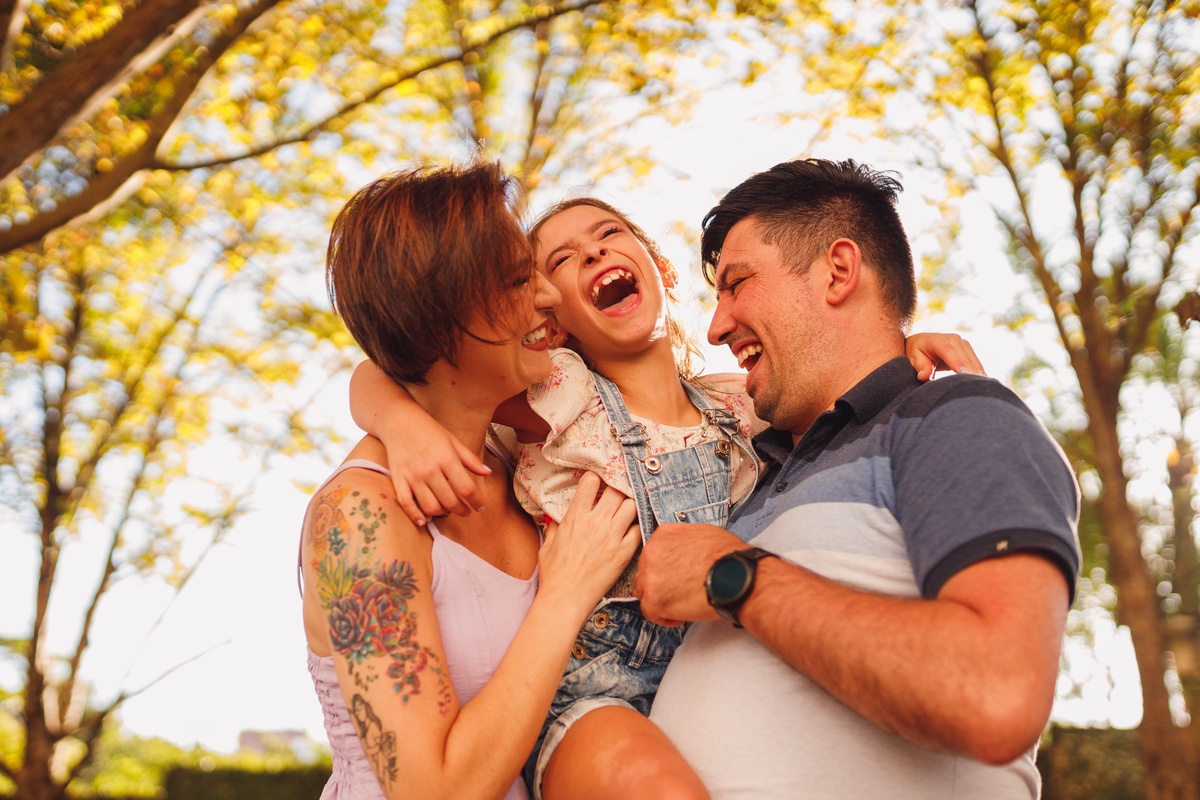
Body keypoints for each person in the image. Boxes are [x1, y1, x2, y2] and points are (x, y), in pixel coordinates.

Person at [351, 192, 985, 799]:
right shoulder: (559, 395)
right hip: (600, 692)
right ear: (550, 317)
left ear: (659, 269)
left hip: (724, 668)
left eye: (607, 235)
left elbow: (829, 376)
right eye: (562, 261)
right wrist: (399, 425)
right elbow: (405, 363)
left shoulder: (738, 403)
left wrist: (898, 354)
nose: (593, 254)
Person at [633, 158, 1081, 799]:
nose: (716, 325)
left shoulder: (952, 417)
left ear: (839, 271)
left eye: (737, 283)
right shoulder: (755, 471)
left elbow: (996, 692)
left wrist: (734, 576)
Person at [300, 162, 643, 800]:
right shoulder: (359, 519)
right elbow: (433, 792)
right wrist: (563, 595)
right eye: (519, 279)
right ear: (438, 316)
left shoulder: (526, 457)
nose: (549, 296)